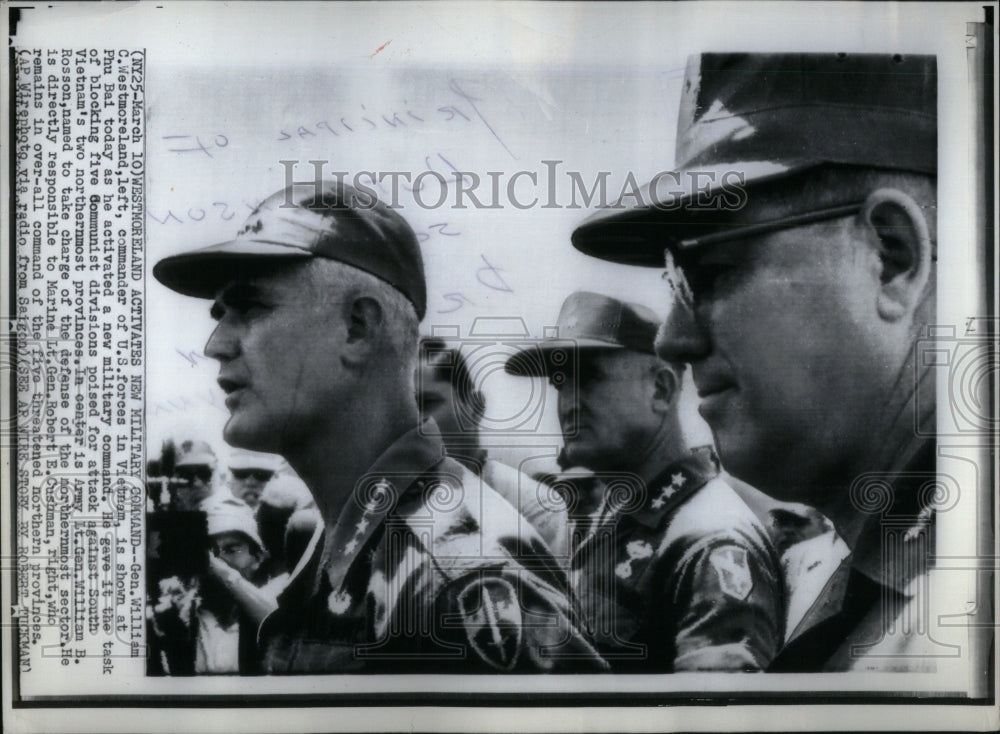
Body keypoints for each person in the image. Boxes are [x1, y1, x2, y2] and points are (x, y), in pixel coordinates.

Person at [571, 53, 938, 672]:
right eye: (672, 285)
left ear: (891, 258)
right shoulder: (856, 573)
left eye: (708, 274)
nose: (672, 339)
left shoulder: (960, 613)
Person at [153, 180, 606, 673]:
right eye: (220, 315)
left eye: (249, 308)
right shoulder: (347, 544)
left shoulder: (458, 577)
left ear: (358, 327)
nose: (216, 344)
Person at [504, 290, 782, 671]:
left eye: (588, 379)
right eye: (560, 383)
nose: (568, 403)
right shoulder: (616, 516)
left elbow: (715, 716)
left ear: (661, 390)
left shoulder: (709, 541)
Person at [417, 337, 569, 556]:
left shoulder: (535, 507)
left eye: (427, 403)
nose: (413, 421)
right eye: (405, 409)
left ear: (476, 407)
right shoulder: (389, 505)